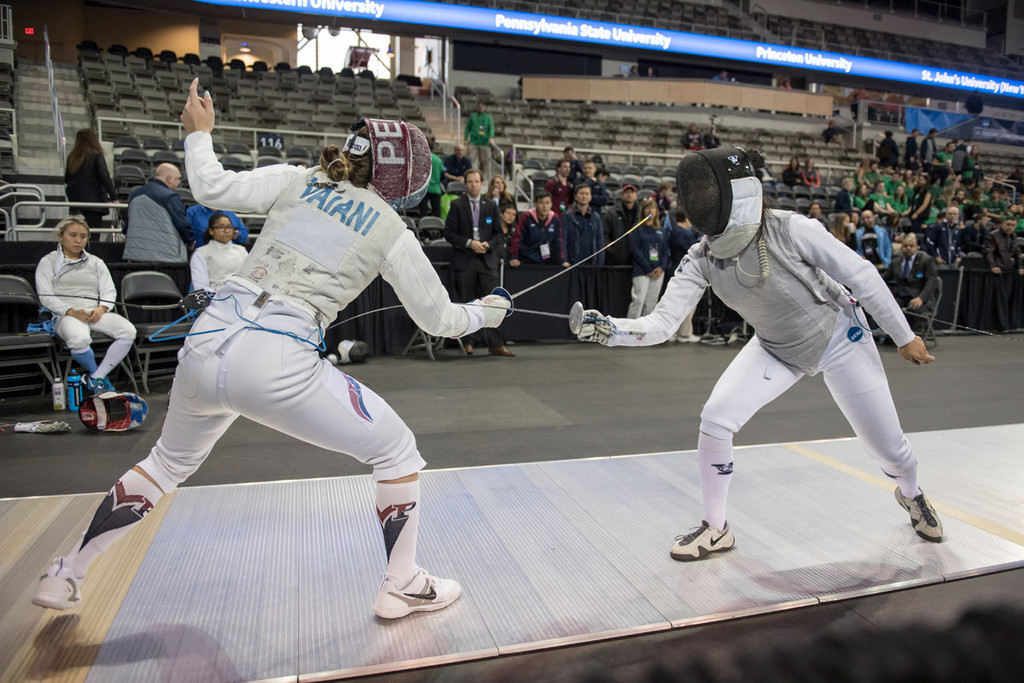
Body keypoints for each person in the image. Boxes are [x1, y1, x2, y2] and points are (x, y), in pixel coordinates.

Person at [31, 80, 511, 620]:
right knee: (396, 451)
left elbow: (209, 185)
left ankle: (65, 573)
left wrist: (199, 134)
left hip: (205, 343)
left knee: (165, 463)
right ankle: (402, 583)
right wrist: (490, 310)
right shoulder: (391, 229)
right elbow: (440, 319)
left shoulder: (298, 178)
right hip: (277, 360)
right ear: (403, 175)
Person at [575, 147, 942, 561]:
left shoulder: (791, 228)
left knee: (890, 451)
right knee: (716, 419)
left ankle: (912, 493)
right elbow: (661, 324)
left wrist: (903, 336)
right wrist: (611, 329)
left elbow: (862, 274)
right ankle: (716, 528)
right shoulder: (702, 257)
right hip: (776, 348)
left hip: (841, 339)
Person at [35, 215, 136, 394]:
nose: (78, 240)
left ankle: (96, 377)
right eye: (73, 235)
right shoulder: (48, 262)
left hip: (94, 312)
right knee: (79, 339)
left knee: (128, 331)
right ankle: (102, 381)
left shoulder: (96, 262)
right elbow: (46, 296)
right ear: (60, 236)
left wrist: (102, 309)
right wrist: (71, 311)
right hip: (65, 315)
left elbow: (108, 291)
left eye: (83, 236)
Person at [443, 168, 512, 357]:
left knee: (493, 303)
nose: (473, 185)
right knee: (467, 303)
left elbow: (499, 234)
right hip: (465, 260)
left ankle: (496, 344)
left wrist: (488, 245)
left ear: (481, 184)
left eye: (476, 181)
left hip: (486, 260)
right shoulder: (457, 205)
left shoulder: (490, 205)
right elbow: (448, 233)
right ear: (465, 184)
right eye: (470, 182)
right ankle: (468, 343)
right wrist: (469, 243)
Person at [122, 162, 193, 262]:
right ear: (168, 179)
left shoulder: (135, 194)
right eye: (177, 179)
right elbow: (182, 225)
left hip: (135, 256)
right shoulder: (170, 197)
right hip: (166, 258)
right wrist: (190, 241)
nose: (179, 183)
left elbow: (126, 226)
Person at [885, 233, 939, 334]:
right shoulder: (895, 262)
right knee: (889, 308)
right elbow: (884, 278)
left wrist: (921, 298)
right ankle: (891, 337)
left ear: (917, 248)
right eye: (905, 246)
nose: (908, 248)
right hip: (900, 296)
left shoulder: (926, 260)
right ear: (901, 248)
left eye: (911, 246)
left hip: (919, 298)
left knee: (913, 311)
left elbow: (932, 282)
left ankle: (912, 338)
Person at [64, 129, 116, 231]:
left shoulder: (72, 157)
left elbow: (67, 179)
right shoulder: (97, 156)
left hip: (76, 202)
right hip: (94, 202)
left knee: (79, 234)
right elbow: (105, 177)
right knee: (94, 234)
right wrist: (114, 197)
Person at [627, 197, 667, 319]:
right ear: (643, 210)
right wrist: (648, 268)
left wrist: (662, 267)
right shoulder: (637, 228)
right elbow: (635, 250)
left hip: (658, 273)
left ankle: (646, 329)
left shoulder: (661, 230)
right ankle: (630, 328)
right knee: (638, 301)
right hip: (642, 271)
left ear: (656, 211)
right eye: (648, 208)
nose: (651, 210)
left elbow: (666, 251)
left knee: (651, 303)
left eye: (653, 208)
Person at [664, 208, 700, 342]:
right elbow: (693, 249)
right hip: (682, 272)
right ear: (686, 218)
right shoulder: (681, 232)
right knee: (685, 304)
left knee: (685, 304)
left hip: (680, 270)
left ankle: (683, 332)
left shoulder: (678, 231)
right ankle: (681, 333)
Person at [190, 212, 249, 292]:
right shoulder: (201, 253)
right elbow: (201, 287)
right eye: (221, 227)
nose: (226, 230)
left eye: (229, 227)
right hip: (215, 296)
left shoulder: (241, 250)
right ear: (211, 231)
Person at [509, 191, 567, 267]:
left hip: (545, 261)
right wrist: (514, 257)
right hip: (525, 260)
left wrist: (562, 261)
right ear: (535, 204)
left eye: (547, 203)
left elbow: (558, 241)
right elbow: (517, 237)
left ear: (551, 204)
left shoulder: (555, 218)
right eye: (541, 203)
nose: (544, 206)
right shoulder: (526, 216)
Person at [561, 183, 605, 266]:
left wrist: (600, 263)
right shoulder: (566, 216)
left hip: (592, 264)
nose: (584, 196)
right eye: (581, 193)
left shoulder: (596, 217)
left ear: (590, 197)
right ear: (575, 196)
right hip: (572, 263)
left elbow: (600, 242)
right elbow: (563, 240)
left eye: (587, 194)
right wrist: (564, 260)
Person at [604, 184, 641, 267]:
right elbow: (605, 235)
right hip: (615, 261)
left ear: (636, 196)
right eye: (626, 192)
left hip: (637, 262)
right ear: (621, 195)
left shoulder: (641, 215)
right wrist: (611, 252)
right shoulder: (612, 214)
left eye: (632, 192)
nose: (629, 195)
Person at [464, 100, 494, 174]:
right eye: (480, 107)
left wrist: (491, 137)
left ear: (485, 107)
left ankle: (481, 175)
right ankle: (471, 174)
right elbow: (467, 127)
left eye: (482, 107)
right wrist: (466, 138)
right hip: (473, 141)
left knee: (484, 161)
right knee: (470, 160)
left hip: (484, 142)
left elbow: (491, 128)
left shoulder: (488, 117)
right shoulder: (473, 116)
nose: (481, 108)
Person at [418, 137, 444, 218]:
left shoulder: (420, 159)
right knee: (437, 212)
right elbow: (443, 176)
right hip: (436, 189)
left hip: (424, 189)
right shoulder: (438, 160)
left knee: (423, 212)